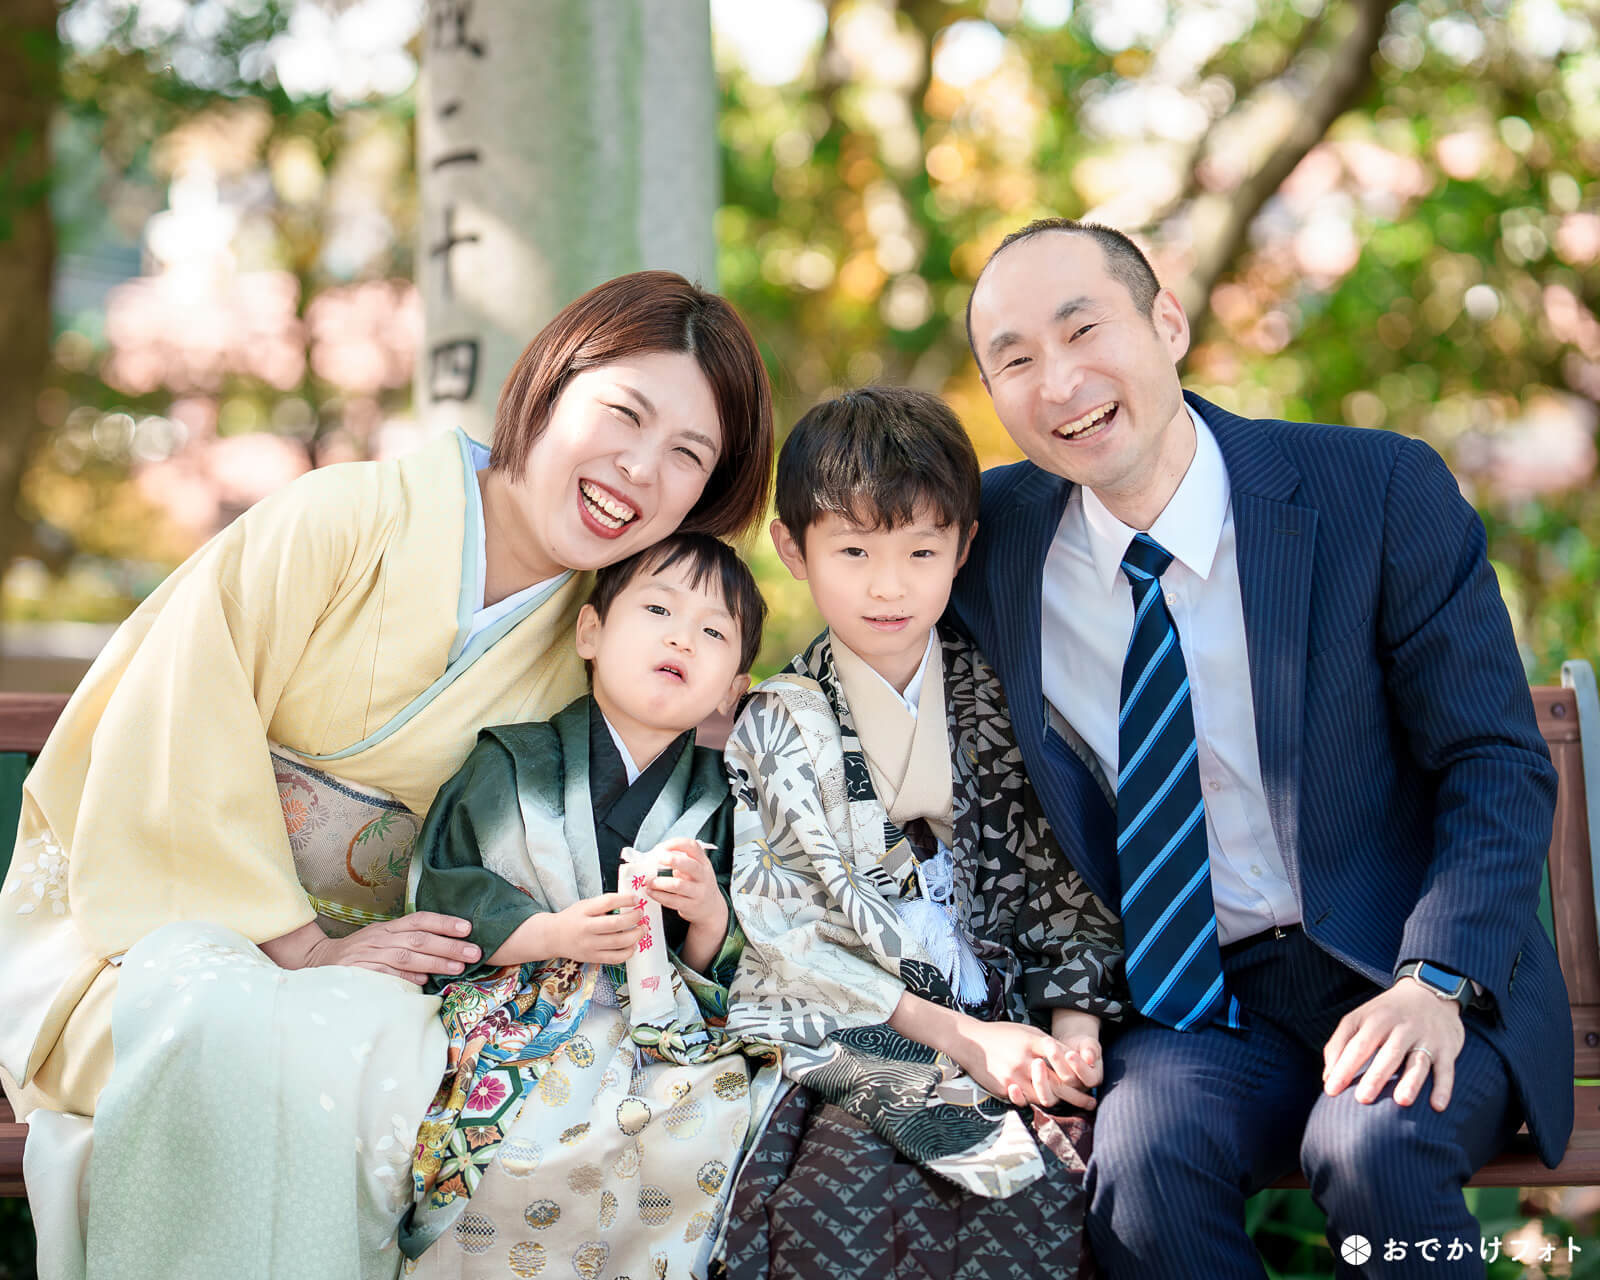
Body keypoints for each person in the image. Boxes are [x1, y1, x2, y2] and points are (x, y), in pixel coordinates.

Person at [0, 270, 774, 1280]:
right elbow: (177, 722)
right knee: (265, 1027)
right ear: (547, 382)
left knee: (422, 1062)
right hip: (141, 930)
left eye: (686, 455)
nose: (637, 467)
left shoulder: (599, 638)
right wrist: (304, 941)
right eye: (620, 412)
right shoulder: (343, 516)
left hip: (389, 976)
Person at [954, 217, 1572, 1279]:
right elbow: (850, 566)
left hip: (1399, 964)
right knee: (1140, 1158)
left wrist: (1435, 976)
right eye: (1014, 360)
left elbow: (1494, 760)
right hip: (1197, 1002)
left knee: (1369, 1145)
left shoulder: (1373, 492)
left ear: (1168, 321)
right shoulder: (989, 536)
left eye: (1082, 331)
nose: (1058, 384)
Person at [718, 387, 1123, 1280]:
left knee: (1062, 1183)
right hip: (870, 1029)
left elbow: (1068, 875)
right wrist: (957, 1038)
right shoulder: (779, 720)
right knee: (836, 1197)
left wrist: (1074, 1025)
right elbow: (789, 938)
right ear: (794, 549)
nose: (889, 584)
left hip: (1016, 1011)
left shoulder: (1007, 697)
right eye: (853, 550)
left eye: (921, 550)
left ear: (963, 548)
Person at [400, 532, 781, 1279]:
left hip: (662, 1026)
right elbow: (445, 887)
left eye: (712, 632)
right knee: (525, 1146)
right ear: (591, 631)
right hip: (519, 1009)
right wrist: (548, 931)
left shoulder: (727, 802)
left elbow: (743, 955)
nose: (682, 636)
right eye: (659, 609)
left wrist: (707, 920)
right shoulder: (511, 760)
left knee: (717, 1117)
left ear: (732, 686)